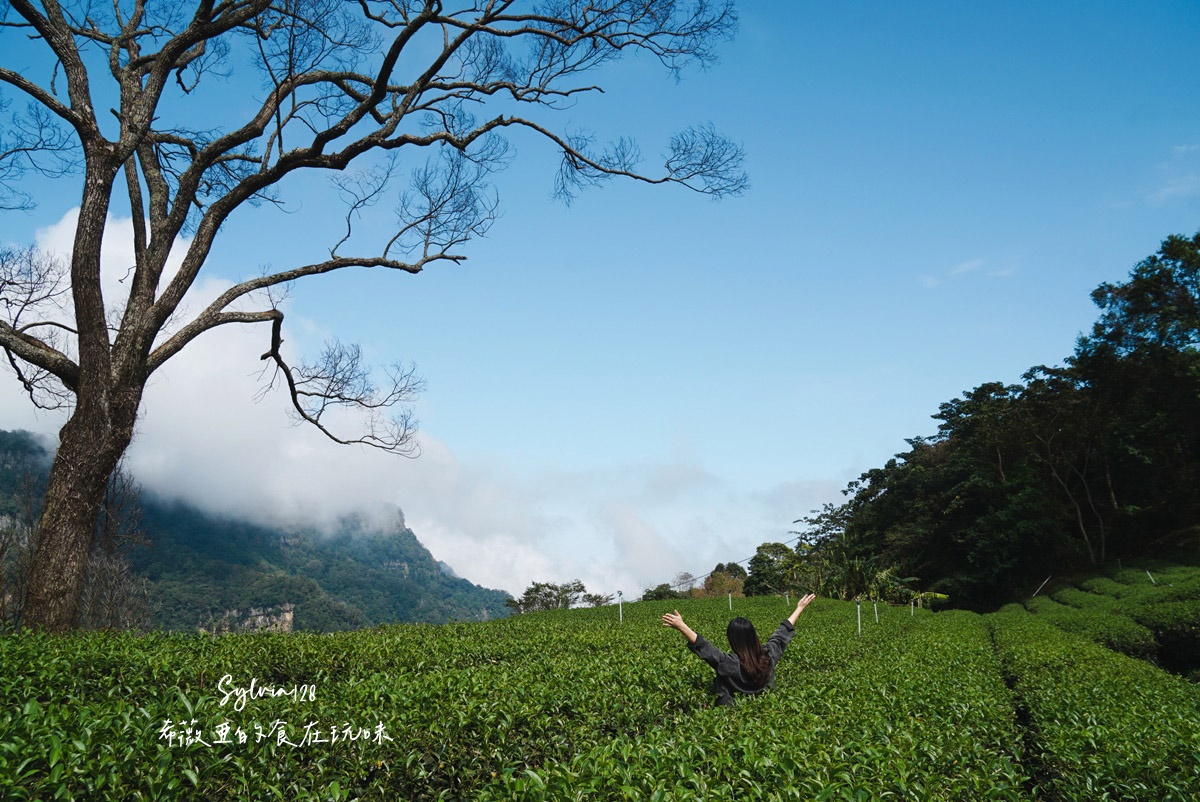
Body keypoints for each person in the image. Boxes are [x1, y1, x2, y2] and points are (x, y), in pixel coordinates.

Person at [662, 593, 816, 706]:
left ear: (732, 640)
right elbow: (781, 635)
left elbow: (705, 647)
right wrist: (799, 608)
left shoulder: (728, 663)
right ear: (753, 636)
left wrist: (682, 626)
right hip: (766, 707)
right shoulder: (768, 657)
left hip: (730, 713)